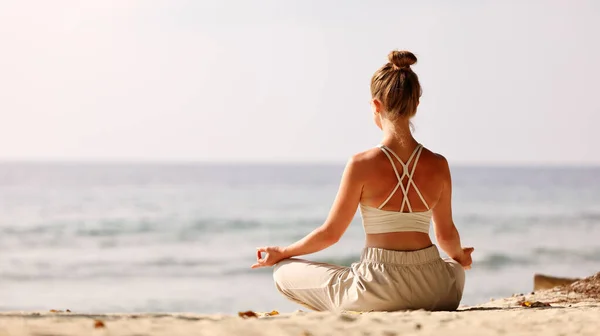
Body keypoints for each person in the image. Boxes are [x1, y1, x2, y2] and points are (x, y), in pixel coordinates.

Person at [251, 50, 474, 312]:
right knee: (454, 270)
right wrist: (460, 257)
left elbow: (330, 234)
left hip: (379, 288)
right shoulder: (439, 164)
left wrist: (284, 252)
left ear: (376, 106)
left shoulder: (360, 164)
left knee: (283, 272)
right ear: (415, 106)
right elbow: (446, 235)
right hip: (436, 291)